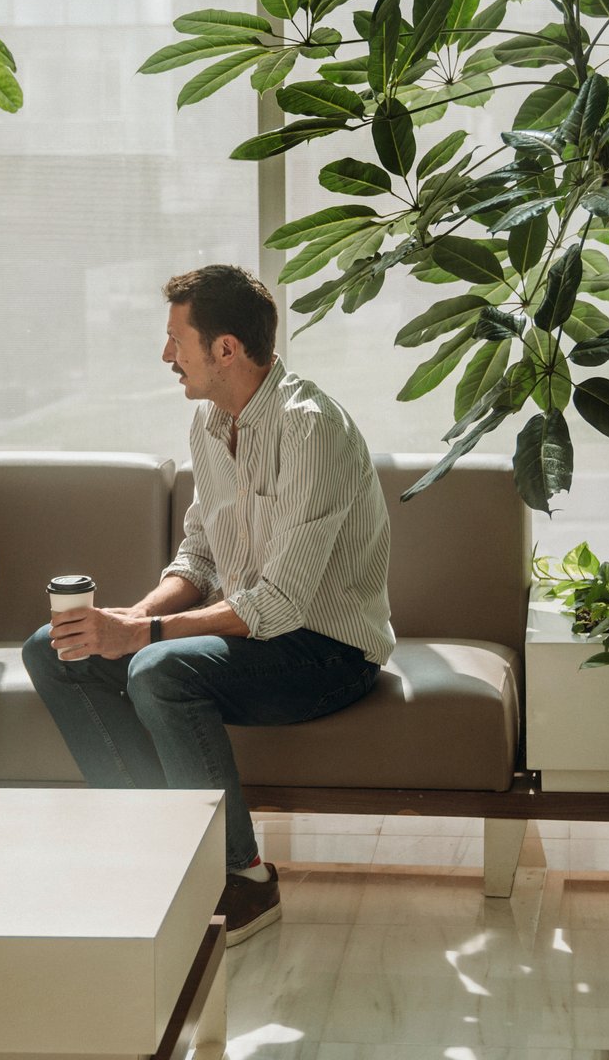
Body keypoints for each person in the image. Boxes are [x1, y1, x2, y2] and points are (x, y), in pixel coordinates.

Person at [22, 265, 393, 945]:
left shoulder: (311, 429)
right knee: (54, 649)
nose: (167, 356)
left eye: (176, 340)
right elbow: (199, 558)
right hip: (252, 639)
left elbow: (279, 604)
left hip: (326, 650)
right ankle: (154, 855)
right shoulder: (209, 423)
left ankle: (242, 878)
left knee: (158, 671)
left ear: (226, 348)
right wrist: (129, 621)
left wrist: (144, 637)